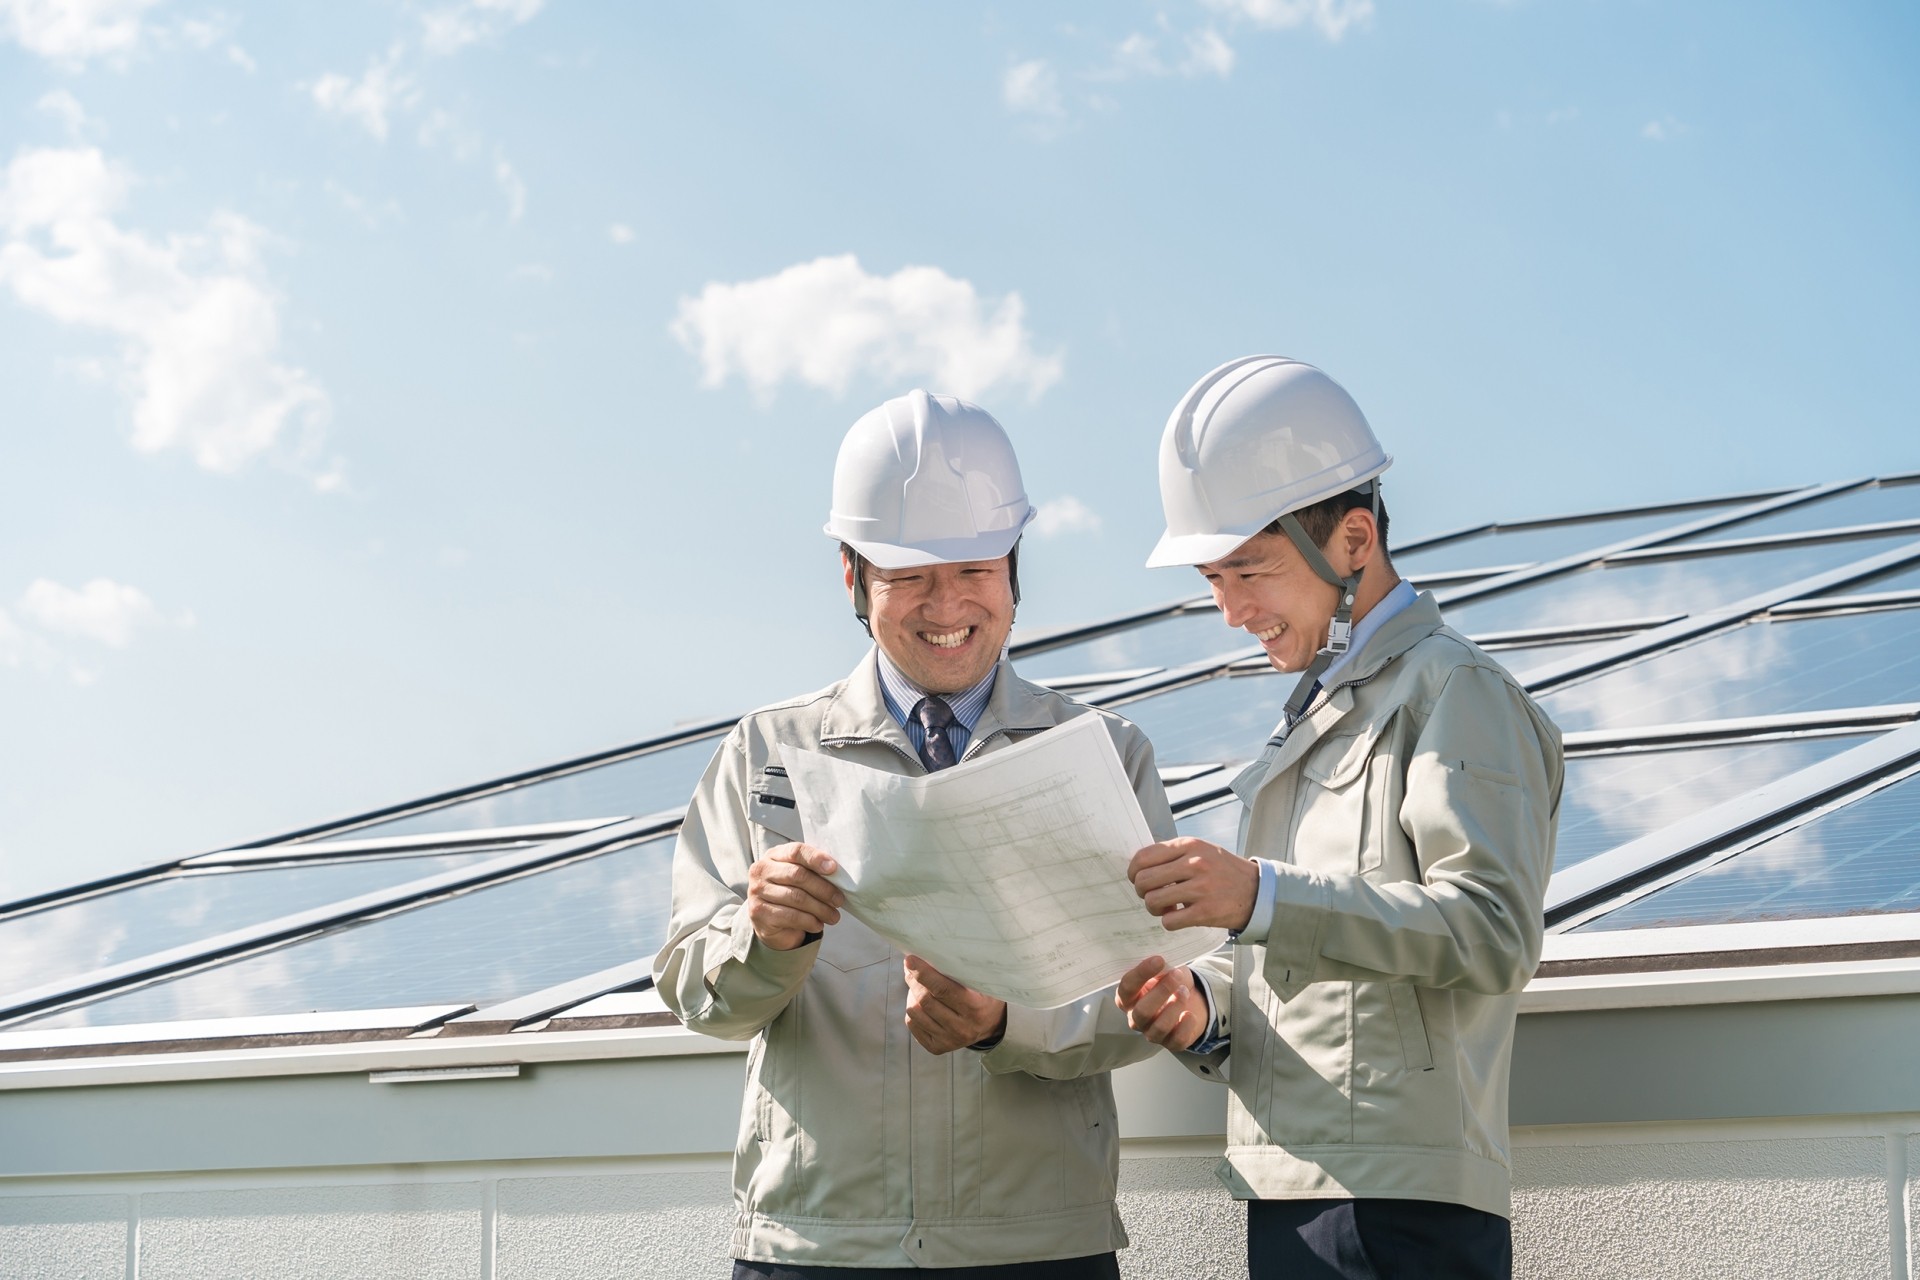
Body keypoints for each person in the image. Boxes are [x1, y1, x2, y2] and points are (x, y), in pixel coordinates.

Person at [653, 389, 1180, 1278]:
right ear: (854, 579)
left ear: (1014, 567)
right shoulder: (769, 752)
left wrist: (1006, 1023)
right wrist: (765, 938)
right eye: (910, 575)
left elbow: (1158, 992)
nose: (948, 604)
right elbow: (694, 990)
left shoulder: (1101, 756)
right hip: (818, 1246)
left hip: (1035, 1246)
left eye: (974, 568)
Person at [1113, 356, 1564, 1279]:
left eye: (1251, 571)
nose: (1232, 610)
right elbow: (1310, 966)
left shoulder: (1454, 690)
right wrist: (1205, 1012)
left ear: (1355, 539)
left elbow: (1491, 933)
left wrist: (1258, 894)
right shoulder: (1321, 715)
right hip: (1292, 1191)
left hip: (1399, 1211)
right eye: (1212, 579)